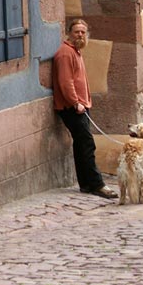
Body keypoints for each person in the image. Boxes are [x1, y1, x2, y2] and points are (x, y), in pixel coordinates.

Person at [53, 18, 117, 199]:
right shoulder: (66, 53)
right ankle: (97, 184)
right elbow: (65, 82)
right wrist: (75, 102)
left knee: (82, 144)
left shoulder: (76, 51)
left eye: (83, 32)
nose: (80, 35)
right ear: (69, 33)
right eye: (76, 32)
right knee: (87, 143)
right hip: (72, 107)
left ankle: (86, 184)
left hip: (80, 105)